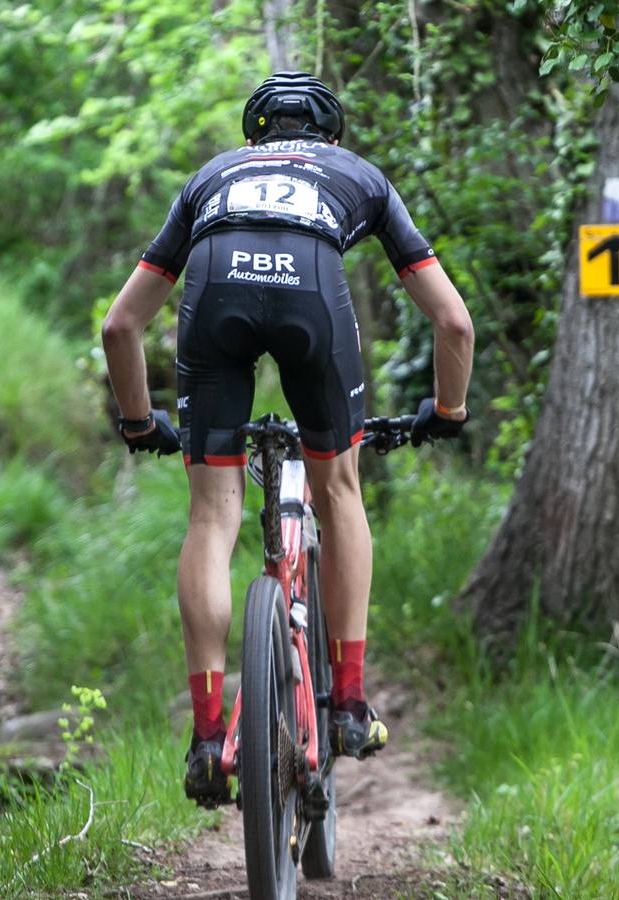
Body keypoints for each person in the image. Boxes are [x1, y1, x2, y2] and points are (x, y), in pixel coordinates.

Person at [99, 72, 475, 806]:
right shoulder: (358, 175)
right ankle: (351, 706)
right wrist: (447, 411)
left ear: (254, 138)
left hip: (215, 295)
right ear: (331, 137)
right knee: (339, 490)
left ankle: (209, 738)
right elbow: (454, 323)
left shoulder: (211, 177)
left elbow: (121, 325)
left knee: (211, 516)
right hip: (313, 300)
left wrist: (140, 422)